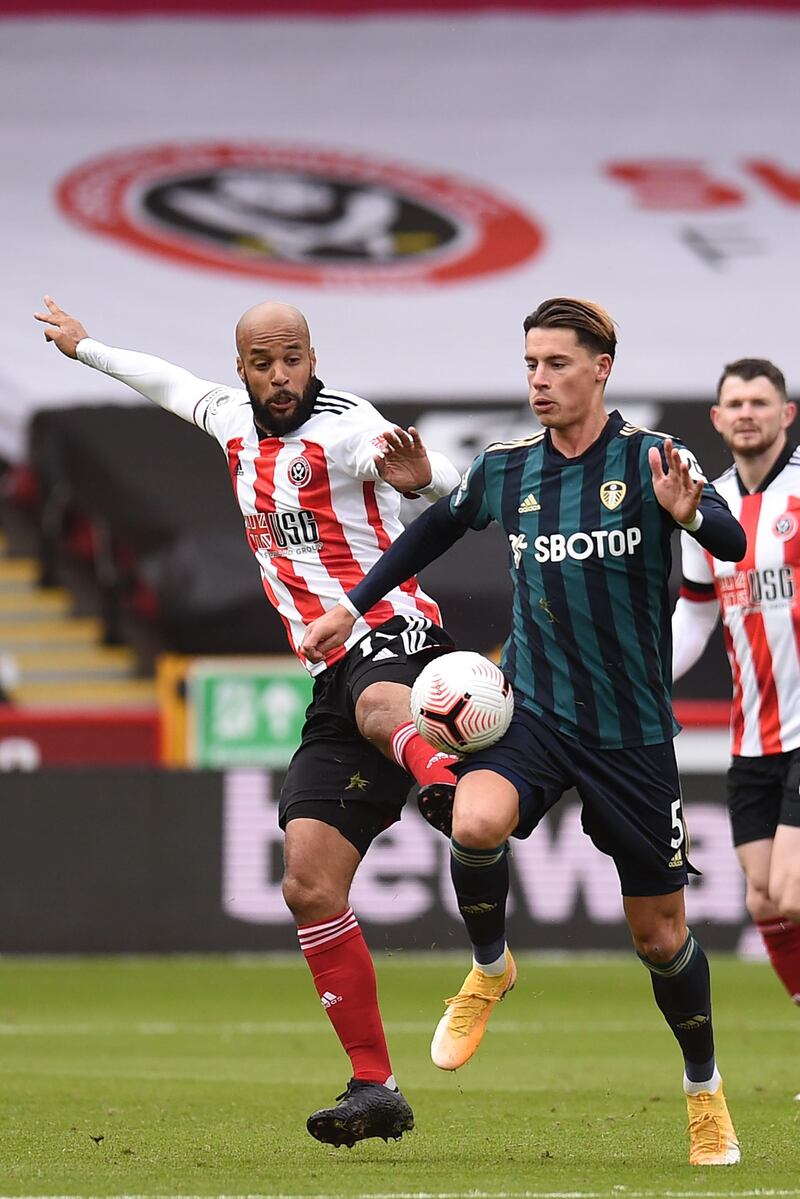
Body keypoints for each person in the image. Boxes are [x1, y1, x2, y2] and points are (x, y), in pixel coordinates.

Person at [301, 296, 748, 1167]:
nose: (540, 381)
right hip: (533, 714)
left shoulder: (654, 457)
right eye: (531, 365)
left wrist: (692, 513)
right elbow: (433, 525)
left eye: (557, 364)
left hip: (631, 734)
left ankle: (704, 1088)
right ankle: (492, 964)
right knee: (471, 820)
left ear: (601, 369)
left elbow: (728, 540)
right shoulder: (508, 467)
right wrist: (349, 608)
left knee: (659, 937)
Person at [34, 295, 463, 1148]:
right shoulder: (230, 416)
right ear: (243, 367)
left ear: (313, 355)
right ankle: (376, 1086)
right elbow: (167, 384)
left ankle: (448, 786)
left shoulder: (346, 426)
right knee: (307, 883)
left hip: (394, 635)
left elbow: (417, 466)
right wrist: (86, 347)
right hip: (329, 676)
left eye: (293, 357)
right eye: (264, 361)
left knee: (384, 704)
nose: (280, 376)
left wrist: (425, 480)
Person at [672, 358, 800, 1015]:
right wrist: (643, 675)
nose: (747, 412)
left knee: (793, 887)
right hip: (754, 733)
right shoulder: (707, 506)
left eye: (760, 400)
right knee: (764, 899)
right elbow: (696, 610)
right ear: (718, 420)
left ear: (787, 414)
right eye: (735, 403)